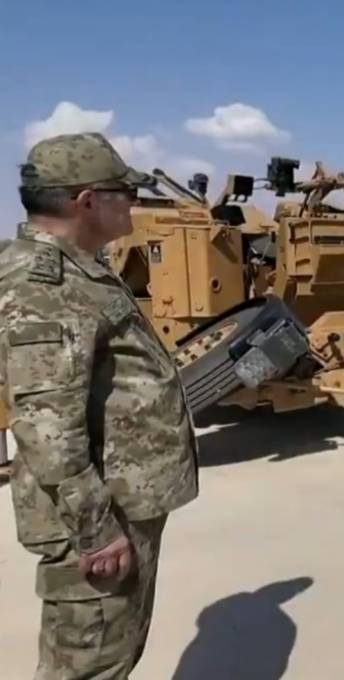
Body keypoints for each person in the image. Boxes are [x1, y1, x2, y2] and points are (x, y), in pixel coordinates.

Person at [0, 132, 200, 679]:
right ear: (86, 201)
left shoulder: (77, 267)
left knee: (111, 654)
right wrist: (96, 528)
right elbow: (47, 424)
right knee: (88, 665)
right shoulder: (49, 283)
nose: (131, 202)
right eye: (122, 191)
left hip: (118, 500)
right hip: (97, 513)